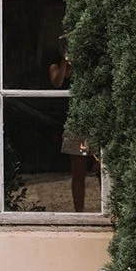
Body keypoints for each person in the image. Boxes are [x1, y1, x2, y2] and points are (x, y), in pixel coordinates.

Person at [49, 42, 93, 212]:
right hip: (75, 121)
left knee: (101, 170)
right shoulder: (57, 66)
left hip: (93, 118)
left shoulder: (86, 65)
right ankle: (79, 211)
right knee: (78, 172)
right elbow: (58, 82)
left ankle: (107, 208)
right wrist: (65, 60)